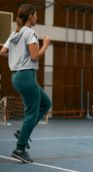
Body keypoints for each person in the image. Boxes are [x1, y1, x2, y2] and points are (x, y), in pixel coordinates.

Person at [0, 4, 51, 163]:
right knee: (32, 112)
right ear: (30, 17)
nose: (37, 18)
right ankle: (19, 148)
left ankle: (22, 132)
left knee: (46, 103)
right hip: (26, 76)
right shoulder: (29, 32)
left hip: (16, 77)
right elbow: (35, 57)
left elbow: (2, 52)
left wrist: (16, 57)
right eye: (35, 15)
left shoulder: (14, 33)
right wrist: (46, 45)